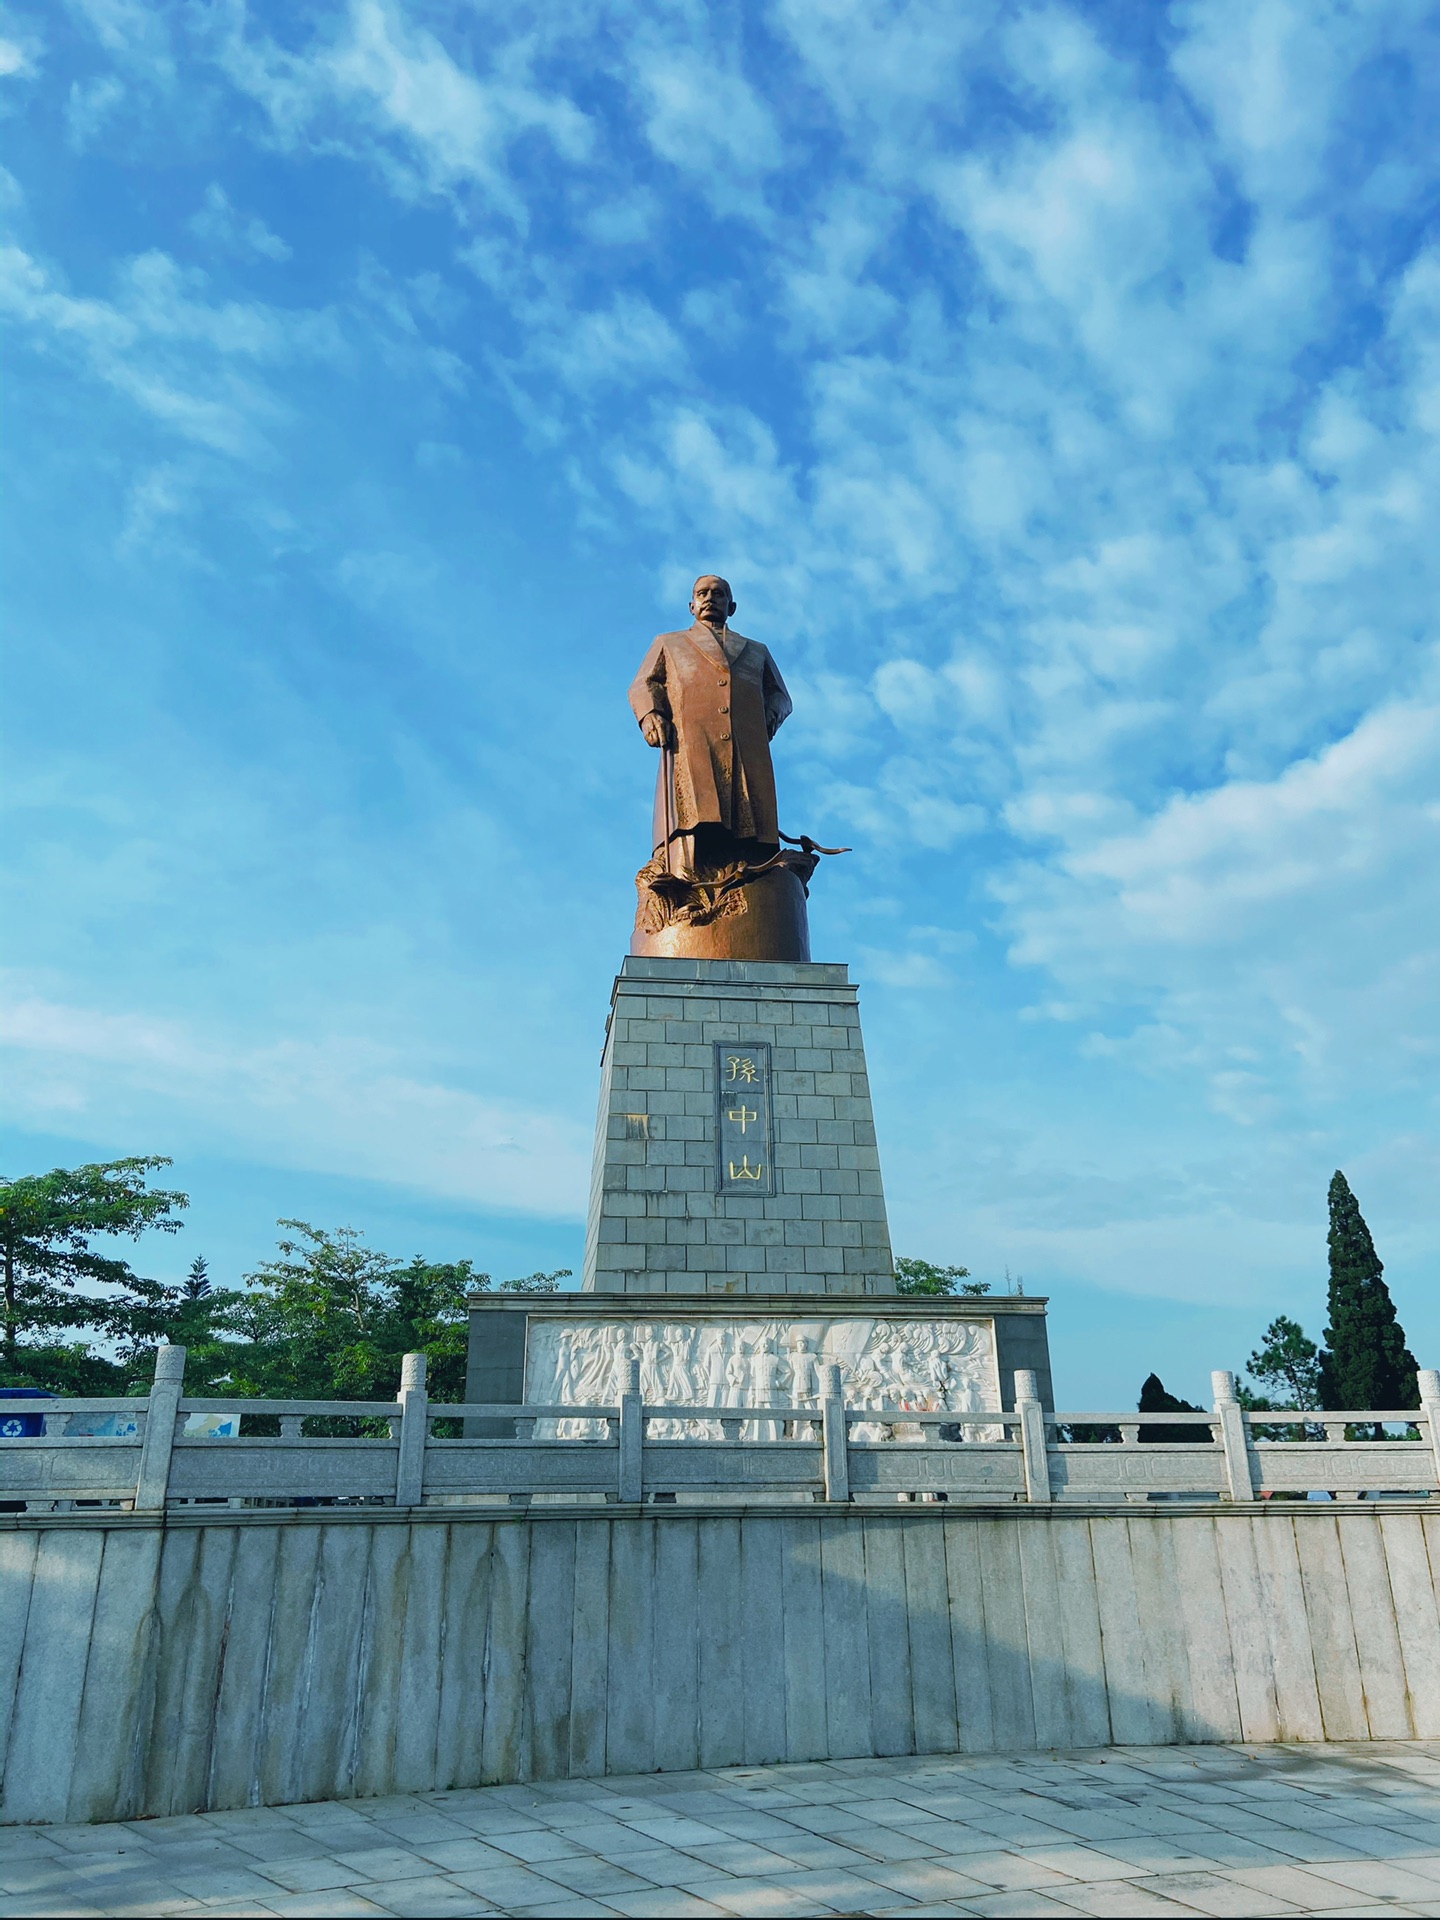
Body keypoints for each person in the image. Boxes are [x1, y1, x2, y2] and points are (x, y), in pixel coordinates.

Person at [630, 575, 793, 880]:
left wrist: (764, 722)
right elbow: (643, 684)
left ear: (731, 606)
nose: (709, 599)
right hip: (691, 738)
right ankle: (688, 872)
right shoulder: (669, 643)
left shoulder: (756, 650)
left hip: (746, 744)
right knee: (694, 807)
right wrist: (651, 714)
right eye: (702, 593)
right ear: (692, 605)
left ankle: (750, 868)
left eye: (718, 594)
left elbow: (781, 696)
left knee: (750, 813)